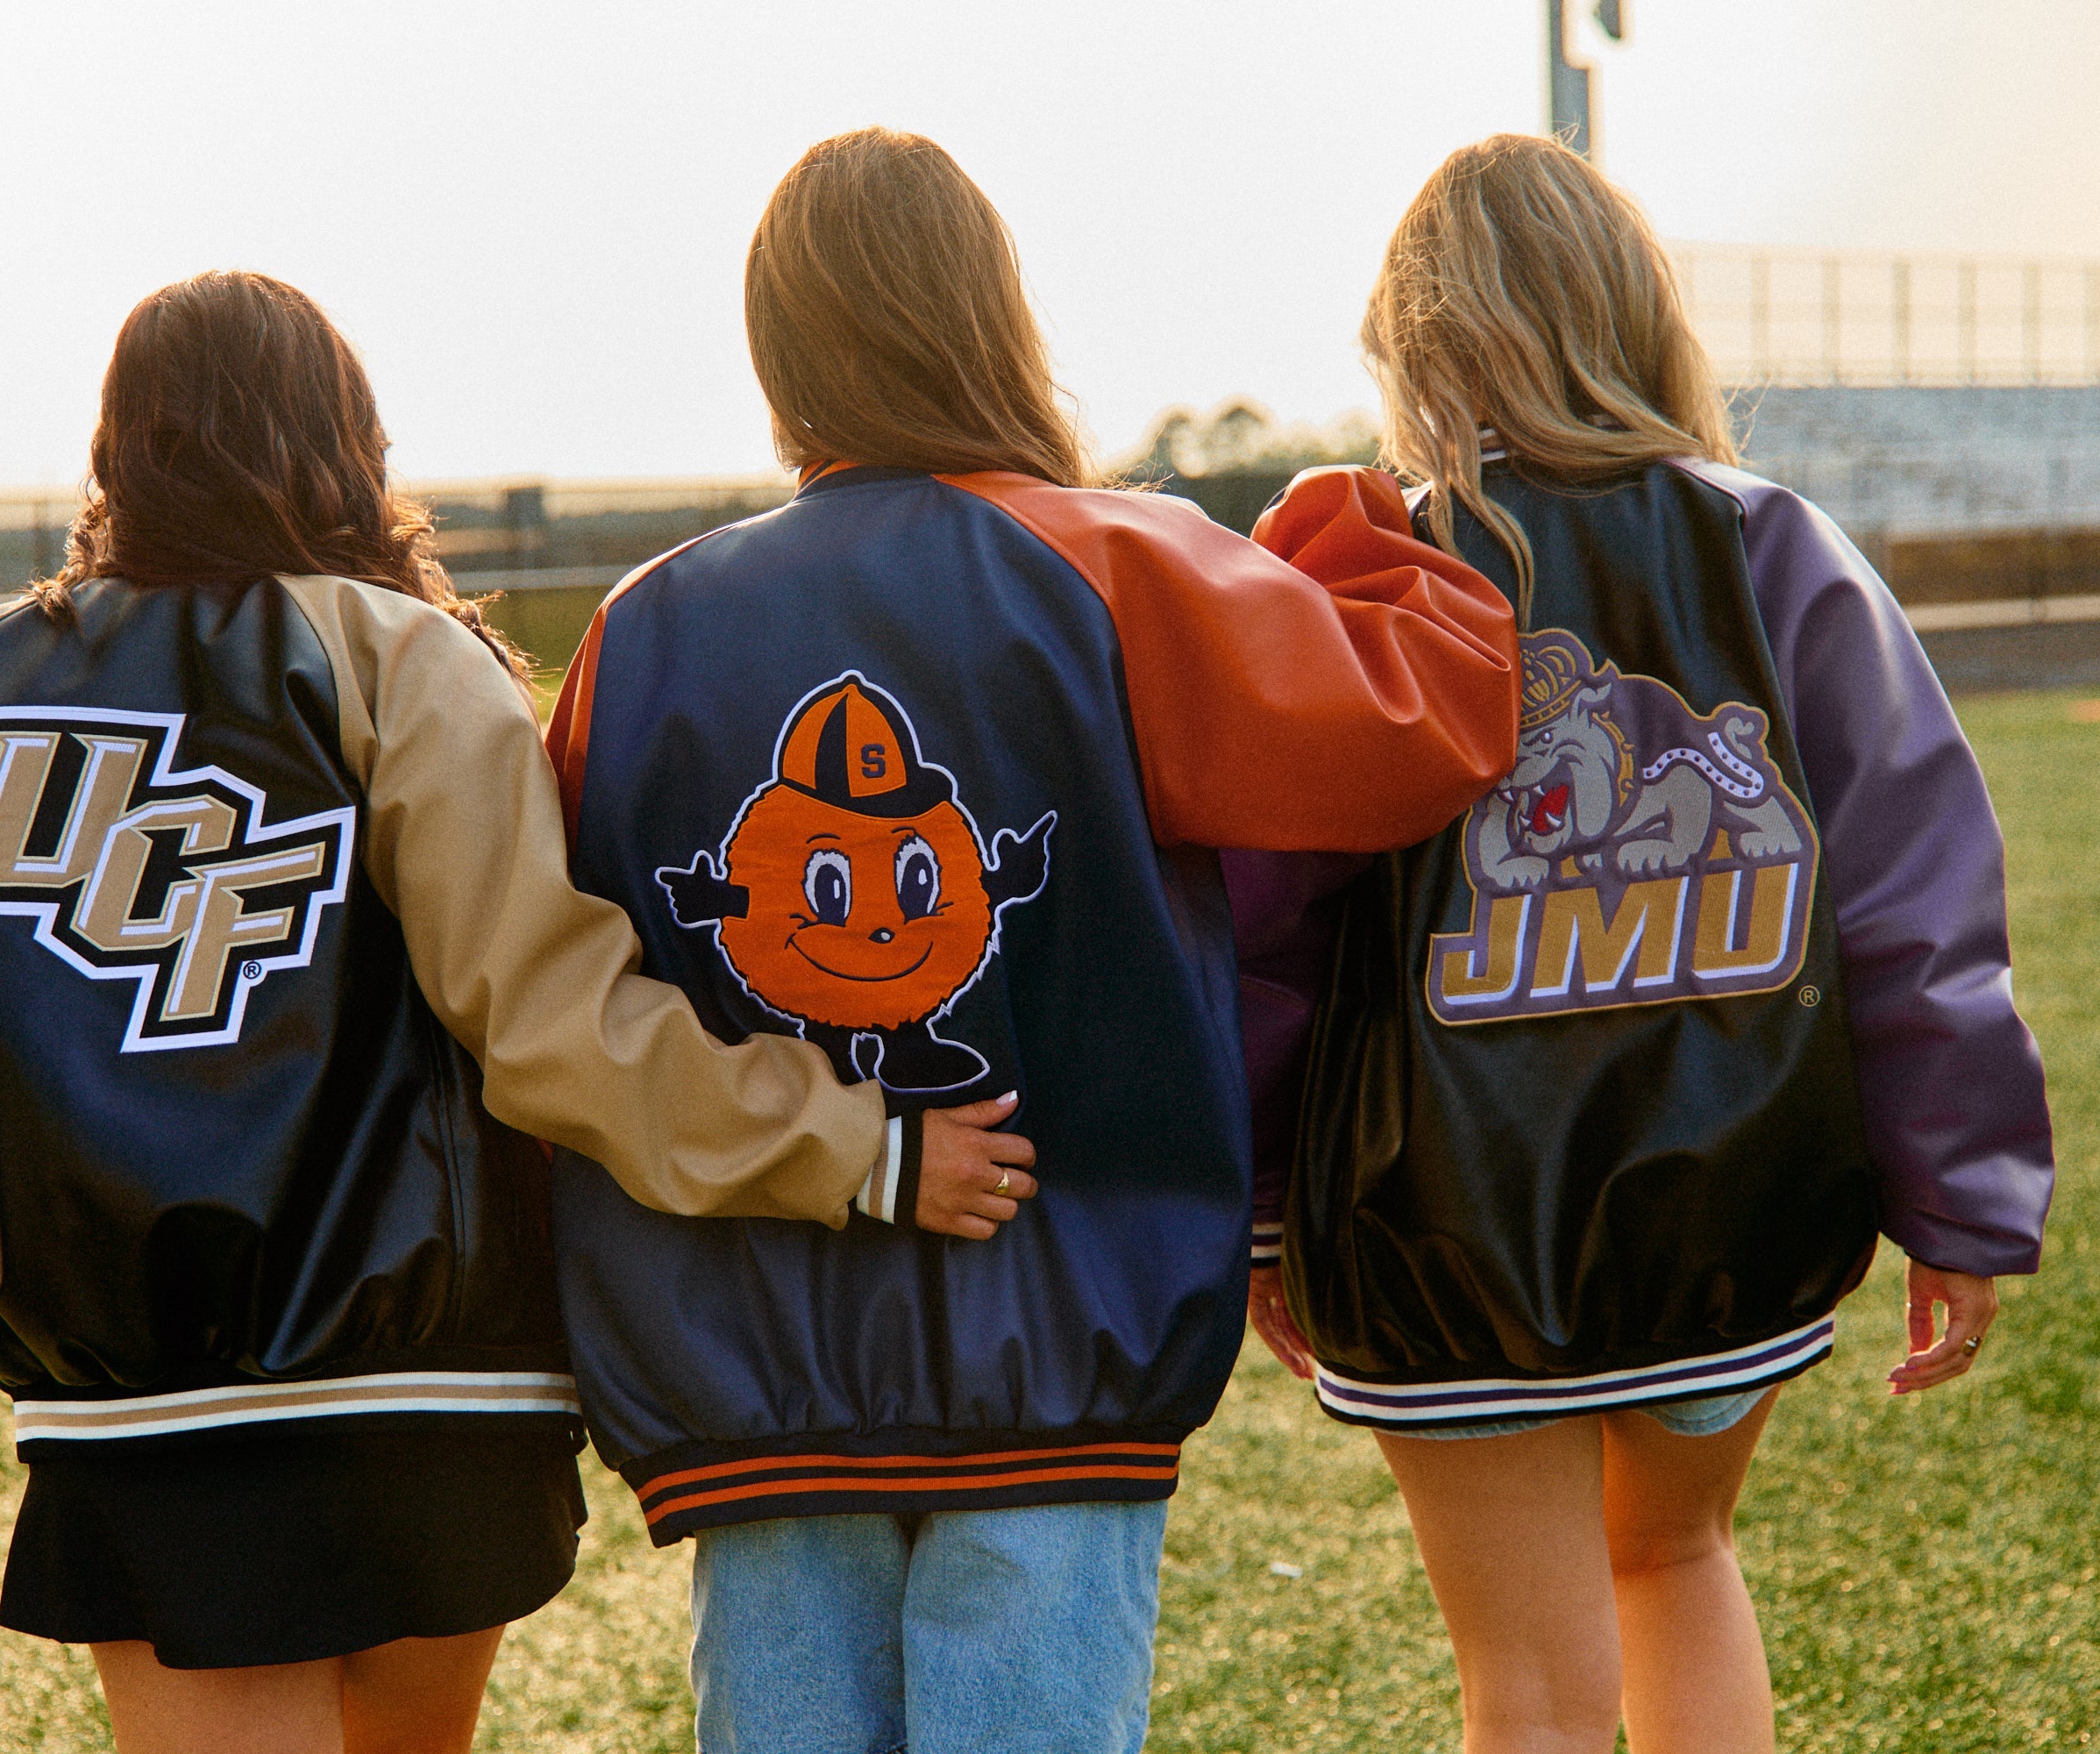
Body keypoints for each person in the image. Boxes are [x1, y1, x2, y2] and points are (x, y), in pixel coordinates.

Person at [0, 270, 1035, 1754]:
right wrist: (860, 1147)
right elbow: (552, 1027)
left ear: (120, 443)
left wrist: (90, 1231)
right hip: (423, 1381)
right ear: (346, 438)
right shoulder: (400, 656)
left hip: (135, 1398)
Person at [540, 129, 1520, 1754]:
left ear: (779, 350)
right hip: (1069, 1345)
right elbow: (1428, 711)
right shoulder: (1116, 563)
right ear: (991, 316)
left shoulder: (644, 631)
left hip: (746, 1374)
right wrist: (1346, 520)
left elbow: (575, 999)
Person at [1231, 133, 2058, 1754]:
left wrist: (1267, 1209)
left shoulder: (1375, 573)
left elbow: (1267, 934)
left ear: (1413, 343)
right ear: (1637, 315)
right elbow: (1914, 902)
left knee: (1528, 1685)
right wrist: (1963, 1193)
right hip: (1725, 1194)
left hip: (1437, 1225)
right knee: (1678, 1554)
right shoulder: (1777, 545)